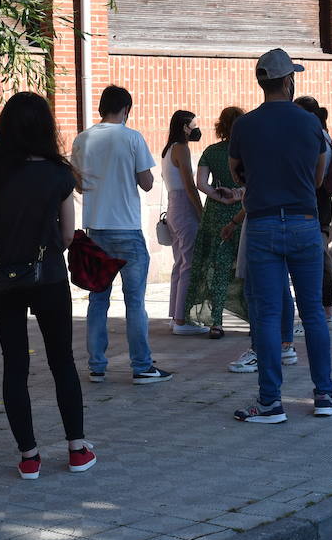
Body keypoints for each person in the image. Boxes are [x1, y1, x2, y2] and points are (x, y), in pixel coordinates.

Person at [0, 92, 94, 479]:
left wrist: (10, 230)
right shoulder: (59, 172)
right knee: (62, 362)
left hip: (4, 278)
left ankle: (28, 456)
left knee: (15, 365)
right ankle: (76, 450)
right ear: (45, 127)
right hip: (50, 277)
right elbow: (70, 234)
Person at [228, 49, 332, 424]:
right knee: (313, 314)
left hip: (262, 224)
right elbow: (320, 175)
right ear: (289, 81)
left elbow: (235, 171)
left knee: (268, 315)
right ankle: (324, 396)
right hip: (305, 222)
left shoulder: (244, 125)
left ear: (261, 82)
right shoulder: (310, 123)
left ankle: (271, 402)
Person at [72, 86, 172, 385]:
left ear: (102, 108)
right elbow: (147, 183)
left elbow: (77, 184)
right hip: (126, 229)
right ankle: (141, 366)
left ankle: (97, 366)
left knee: (98, 298)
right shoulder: (132, 137)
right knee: (135, 301)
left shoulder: (83, 138)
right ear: (126, 108)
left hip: (95, 229)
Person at [185, 106, 246, 339]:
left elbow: (200, 183)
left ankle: (216, 322)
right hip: (243, 210)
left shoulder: (211, 151)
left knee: (219, 268)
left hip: (216, 212)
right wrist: (237, 193)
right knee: (247, 267)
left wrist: (218, 195)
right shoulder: (248, 151)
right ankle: (256, 319)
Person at [160, 110, 208, 337]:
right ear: (184, 127)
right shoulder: (181, 148)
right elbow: (190, 185)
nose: (196, 128)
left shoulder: (168, 149)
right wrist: (201, 213)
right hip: (184, 206)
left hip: (173, 206)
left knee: (180, 263)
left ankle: (176, 316)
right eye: (193, 124)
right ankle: (181, 319)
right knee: (189, 263)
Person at [295, 96, 332, 329]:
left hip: (315, 204)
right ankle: (324, 314)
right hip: (318, 204)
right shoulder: (322, 135)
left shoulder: (316, 137)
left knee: (318, 260)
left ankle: (324, 314)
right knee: (318, 259)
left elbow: (315, 178)